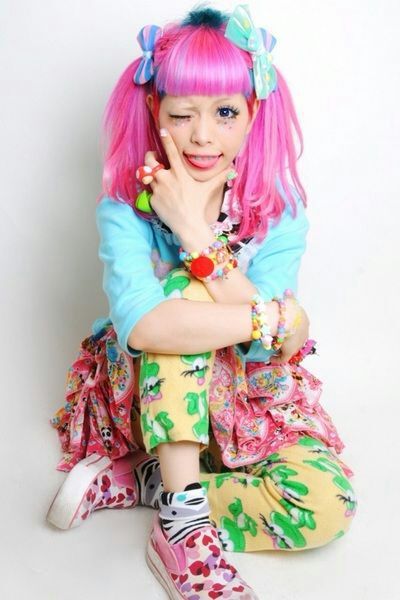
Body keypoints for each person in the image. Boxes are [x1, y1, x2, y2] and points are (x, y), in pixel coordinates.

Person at [46, 4, 358, 599]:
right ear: (154, 109)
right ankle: (182, 533)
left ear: (253, 113)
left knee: (327, 504)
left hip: (239, 398)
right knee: (181, 303)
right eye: (182, 113)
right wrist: (273, 317)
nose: (203, 135)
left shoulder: (279, 209)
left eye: (225, 112)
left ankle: (151, 486)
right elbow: (146, 327)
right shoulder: (125, 206)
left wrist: (195, 233)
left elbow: (267, 352)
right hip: (145, 396)